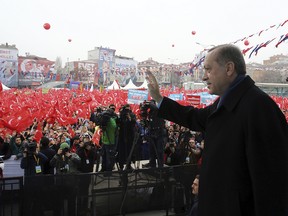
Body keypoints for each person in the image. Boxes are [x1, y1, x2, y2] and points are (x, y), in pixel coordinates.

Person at [146, 44, 288, 215]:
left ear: (229, 69)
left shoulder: (258, 107)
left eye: (208, 69)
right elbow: (194, 117)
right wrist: (159, 99)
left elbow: (272, 181)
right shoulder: (226, 103)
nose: (204, 77)